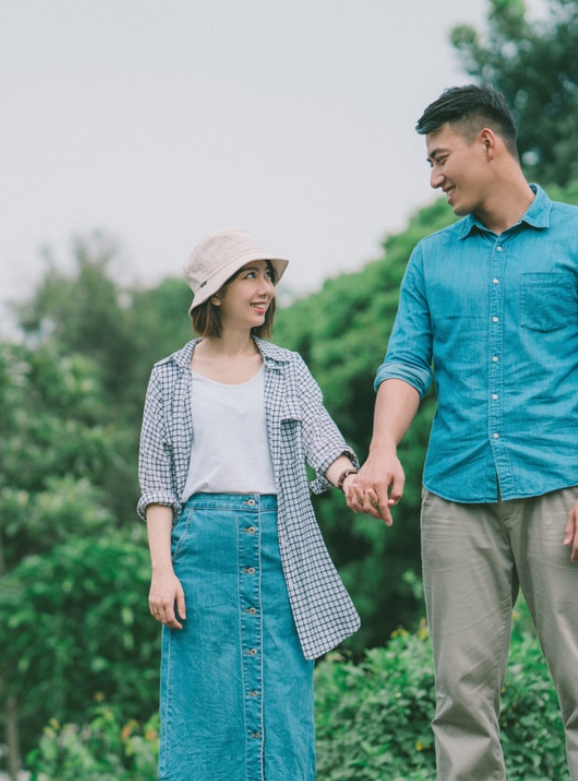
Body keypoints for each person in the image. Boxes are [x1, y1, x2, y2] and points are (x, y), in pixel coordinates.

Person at [348, 85, 578, 780]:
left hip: (565, 494)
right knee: (460, 700)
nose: (433, 177)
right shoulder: (430, 260)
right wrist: (383, 449)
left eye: (441, 157)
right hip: (457, 499)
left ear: (489, 143)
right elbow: (404, 365)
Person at [137, 227, 387, 781]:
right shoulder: (169, 379)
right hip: (199, 556)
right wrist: (162, 571)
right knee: (201, 714)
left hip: (282, 552)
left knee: (283, 712)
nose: (264, 287)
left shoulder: (287, 369)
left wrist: (350, 479)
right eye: (250, 275)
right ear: (216, 292)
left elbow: (322, 440)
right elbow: (156, 488)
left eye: (267, 275)